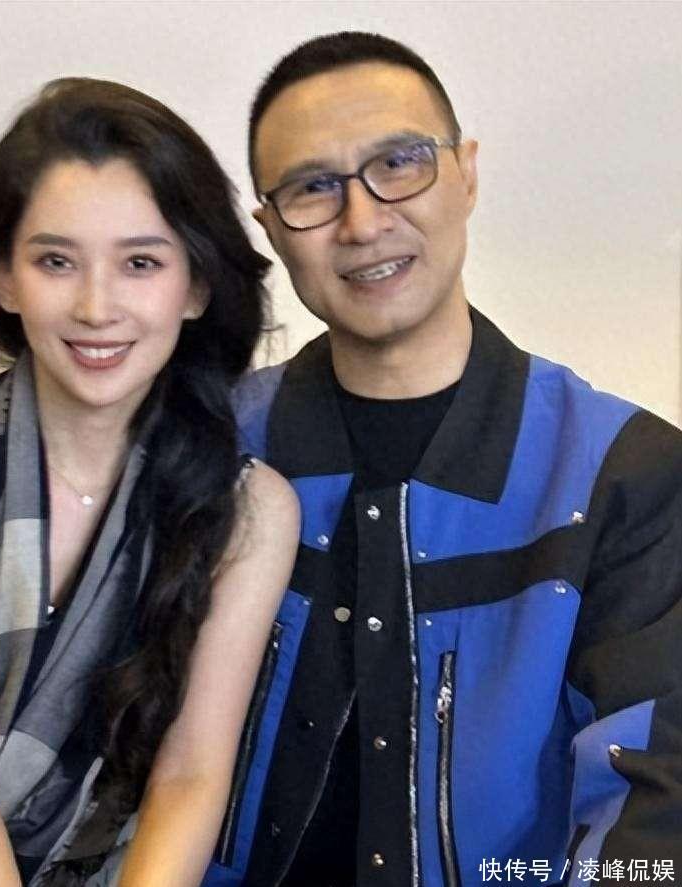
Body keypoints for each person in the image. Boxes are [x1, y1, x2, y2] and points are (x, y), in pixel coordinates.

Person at [199, 31, 682, 887]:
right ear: (269, 228)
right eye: (312, 187)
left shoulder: (625, 473)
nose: (362, 221)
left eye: (399, 163)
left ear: (465, 173)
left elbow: (654, 815)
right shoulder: (211, 445)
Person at [0, 78, 300, 887]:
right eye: (56, 261)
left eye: (140, 263)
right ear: (2, 277)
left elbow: (190, 776)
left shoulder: (251, 511)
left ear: (196, 286)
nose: (97, 306)